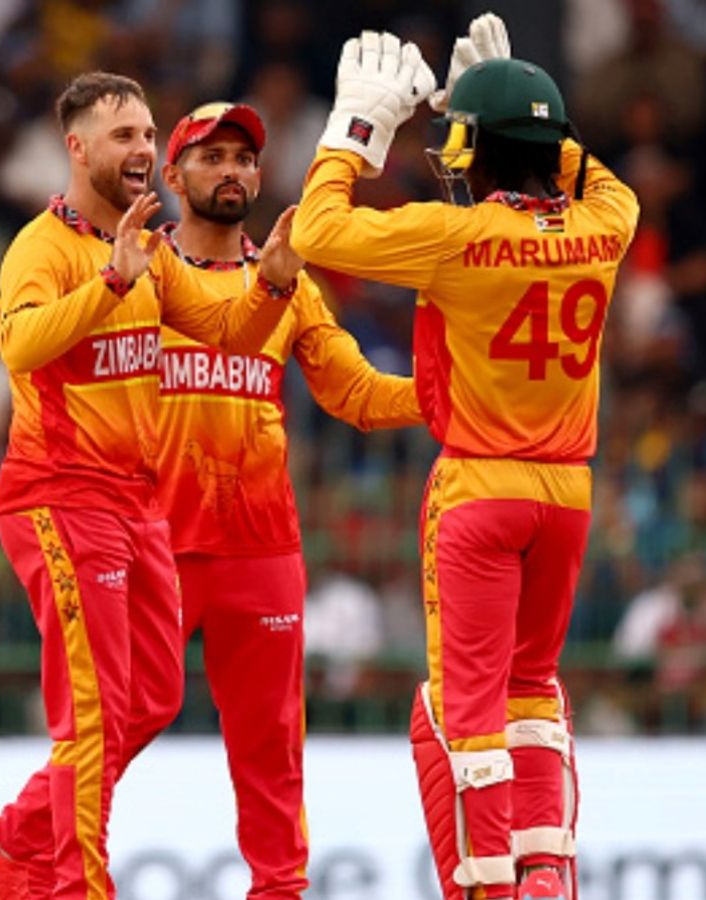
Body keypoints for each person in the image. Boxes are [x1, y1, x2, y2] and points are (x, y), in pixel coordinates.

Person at [0, 100, 422, 899]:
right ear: (174, 175)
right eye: (210, 156)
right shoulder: (131, 261)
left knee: (266, 757)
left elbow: (358, 392)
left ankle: (16, 843)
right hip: (152, 521)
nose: (231, 171)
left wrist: (446, 396)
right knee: (107, 717)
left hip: (255, 545)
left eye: (243, 159)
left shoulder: (276, 285)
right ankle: (56, 869)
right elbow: (27, 331)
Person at [290, 22, 639, 900]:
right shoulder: (609, 225)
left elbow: (319, 231)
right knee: (534, 692)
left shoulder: (454, 239)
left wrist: (356, 129)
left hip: (479, 487)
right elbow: (589, 177)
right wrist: (523, 109)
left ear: (474, 154)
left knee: (462, 710)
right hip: (567, 494)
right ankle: (547, 875)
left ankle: (486, 884)